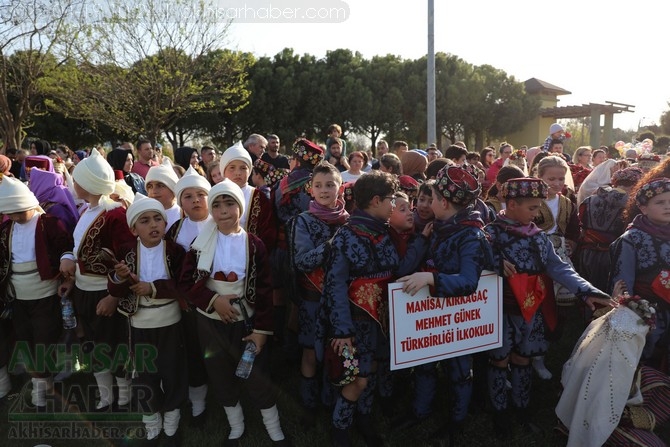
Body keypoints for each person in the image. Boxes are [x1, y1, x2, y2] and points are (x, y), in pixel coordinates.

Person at [484, 177, 614, 439]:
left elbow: (558, 267)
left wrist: (585, 290)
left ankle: (521, 409)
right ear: (511, 204)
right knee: (499, 359)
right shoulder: (489, 234)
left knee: (523, 357)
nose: (537, 214)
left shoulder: (537, 237)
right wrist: (493, 263)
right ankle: (499, 413)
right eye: (532, 208)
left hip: (530, 308)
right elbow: (476, 263)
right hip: (500, 310)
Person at [316, 170, 427, 447]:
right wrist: (342, 330)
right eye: (392, 200)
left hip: (381, 321)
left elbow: (397, 270)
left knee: (373, 370)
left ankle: (364, 421)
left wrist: (422, 242)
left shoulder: (384, 233)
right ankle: (339, 430)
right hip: (353, 325)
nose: (395, 205)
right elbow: (335, 285)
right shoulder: (346, 236)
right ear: (376, 200)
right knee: (355, 379)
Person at [179, 179, 291, 446]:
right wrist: (214, 300)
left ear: (239, 207)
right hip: (211, 325)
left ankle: (274, 429)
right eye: (216, 205)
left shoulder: (254, 244)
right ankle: (236, 427)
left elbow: (264, 290)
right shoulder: (200, 243)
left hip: (247, 324)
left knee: (257, 376)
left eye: (229, 203)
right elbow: (186, 283)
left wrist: (262, 331)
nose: (223, 210)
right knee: (219, 375)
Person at [396, 166, 492, 445]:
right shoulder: (439, 226)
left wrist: (430, 277)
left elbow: (468, 281)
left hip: (459, 318)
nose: (425, 205)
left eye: (433, 199)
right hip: (434, 314)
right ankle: (420, 410)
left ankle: (456, 421)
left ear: (444, 203)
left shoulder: (470, 235)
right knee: (425, 363)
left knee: (459, 370)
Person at [59, 148, 136, 411]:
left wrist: (114, 295)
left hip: (104, 293)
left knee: (113, 345)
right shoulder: (87, 211)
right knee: (91, 344)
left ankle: (124, 397)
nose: (74, 183)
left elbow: (127, 259)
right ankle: (106, 395)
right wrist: (70, 268)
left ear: (89, 183)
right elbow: (77, 246)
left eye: (78, 179)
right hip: (83, 290)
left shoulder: (114, 215)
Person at [108, 194, 187, 445]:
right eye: (144, 221)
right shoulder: (126, 253)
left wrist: (153, 288)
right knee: (144, 374)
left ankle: (172, 422)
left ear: (165, 224)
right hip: (139, 325)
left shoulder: (175, 251)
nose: (153, 225)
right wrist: (120, 278)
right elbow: (115, 290)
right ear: (133, 228)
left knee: (173, 371)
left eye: (158, 219)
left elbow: (183, 285)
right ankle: (151, 421)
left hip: (170, 323)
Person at [556, 290, 670, 447]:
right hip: (595, 419)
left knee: (660, 382)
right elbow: (604, 413)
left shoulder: (604, 337)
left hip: (595, 400)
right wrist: (644, 418)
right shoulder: (615, 363)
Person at [0, 177, 73, 408]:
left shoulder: (48, 223)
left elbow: (65, 247)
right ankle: (41, 382)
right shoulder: (6, 228)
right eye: (10, 213)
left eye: (18, 212)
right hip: (18, 297)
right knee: (26, 340)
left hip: (44, 294)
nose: (14, 217)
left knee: (44, 340)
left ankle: (42, 389)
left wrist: (66, 259)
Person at [290, 162, 349, 428]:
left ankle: (334, 403)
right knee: (311, 354)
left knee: (338, 351)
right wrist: (330, 246)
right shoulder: (302, 221)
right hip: (312, 301)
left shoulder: (349, 221)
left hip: (342, 302)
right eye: (318, 185)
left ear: (340, 188)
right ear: (310, 190)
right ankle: (308, 406)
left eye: (330, 185)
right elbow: (301, 262)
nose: (324, 190)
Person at [164, 166, 213, 429]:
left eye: (201, 194)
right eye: (188, 196)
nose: (195, 200)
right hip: (187, 305)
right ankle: (199, 403)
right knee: (194, 353)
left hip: (217, 302)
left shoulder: (222, 224)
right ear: (180, 201)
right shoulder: (174, 230)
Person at [610, 177, 670, 372]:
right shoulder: (631, 239)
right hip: (645, 312)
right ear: (643, 208)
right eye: (660, 202)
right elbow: (622, 281)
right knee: (641, 359)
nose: (667, 207)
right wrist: (630, 308)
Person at [577, 167, 643, 292]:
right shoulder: (631, 207)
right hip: (612, 256)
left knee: (585, 289)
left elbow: (581, 223)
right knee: (605, 292)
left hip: (586, 253)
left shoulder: (590, 199)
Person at [219, 141, 276, 249]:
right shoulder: (215, 194)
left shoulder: (258, 197)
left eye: (243, 168)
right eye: (232, 168)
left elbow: (268, 231)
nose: (238, 173)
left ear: (249, 171)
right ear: (224, 170)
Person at [28, 168, 79, 234]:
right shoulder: (43, 203)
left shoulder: (57, 209)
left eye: (31, 182)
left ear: (40, 184)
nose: (28, 186)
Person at [145, 162, 182, 229]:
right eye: (150, 186)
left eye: (160, 186)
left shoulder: (184, 214)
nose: (154, 191)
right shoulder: (143, 215)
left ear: (172, 188)